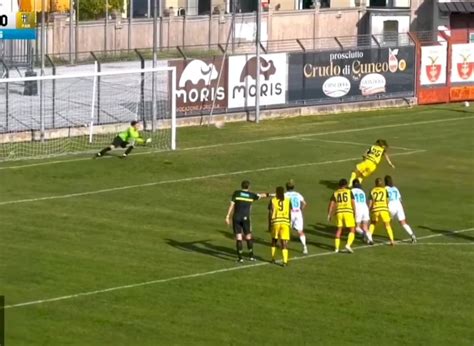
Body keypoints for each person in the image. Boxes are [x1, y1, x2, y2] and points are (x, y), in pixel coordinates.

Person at [225, 180, 269, 263]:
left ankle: (240, 258)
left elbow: (231, 205)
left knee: (239, 238)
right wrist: (272, 194)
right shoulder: (251, 195)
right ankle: (251, 256)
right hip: (245, 218)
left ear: (241, 186)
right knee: (248, 237)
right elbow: (262, 195)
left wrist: (227, 216)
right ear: (248, 187)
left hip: (236, 217)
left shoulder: (237, 193)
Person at [384, 175, 417, 243]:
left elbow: (386, 199)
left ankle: (391, 239)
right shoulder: (395, 188)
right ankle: (412, 235)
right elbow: (400, 199)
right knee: (403, 222)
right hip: (398, 205)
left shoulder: (385, 189)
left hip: (391, 205)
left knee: (387, 222)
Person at [327, 178, 356, 253]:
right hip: (348, 211)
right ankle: (348, 245)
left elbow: (331, 205)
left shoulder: (335, 193)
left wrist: (329, 214)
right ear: (346, 185)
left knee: (339, 229)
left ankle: (336, 248)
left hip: (339, 212)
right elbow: (353, 203)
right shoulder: (349, 192)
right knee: (352, 229)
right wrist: (354, 212)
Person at [269, 186, 292, 266]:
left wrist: (269, 224)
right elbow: (289, 212)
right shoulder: (288, 200)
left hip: (276, 222)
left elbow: (270, 212)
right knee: (284, 242)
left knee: (274, 240)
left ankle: (272, 258)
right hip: (285, 222)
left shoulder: (273, 200)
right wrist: (290, 222)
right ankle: (285, 261)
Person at [368, 178, 395, 245]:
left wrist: (370, 209)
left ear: (375, 183)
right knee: (387, 225)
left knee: (373, 223)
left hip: (375, 209)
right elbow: (388, 200)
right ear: (381, 183)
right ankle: (392, 240)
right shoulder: (384, 190)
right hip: (384, 209)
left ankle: (369, 238)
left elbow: (371, 202)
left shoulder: (372, 190)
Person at [284, 179, 308, 254]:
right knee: (300, 231)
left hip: (290, 213)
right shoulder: (297, 194)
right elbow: (304, 203)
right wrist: (300, 209)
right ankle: (305, 247)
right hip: (298, 213)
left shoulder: (285, 195)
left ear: (286, 187)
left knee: (287, 230)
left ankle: (285, 246)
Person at [351, 179, 373, 245]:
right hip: (365, 208)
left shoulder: (351, 191)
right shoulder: (362, 191)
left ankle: (367, 236)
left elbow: (351, 201)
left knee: (357, 227)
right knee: (365, 227)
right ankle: (370, 239)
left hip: (358, 209)